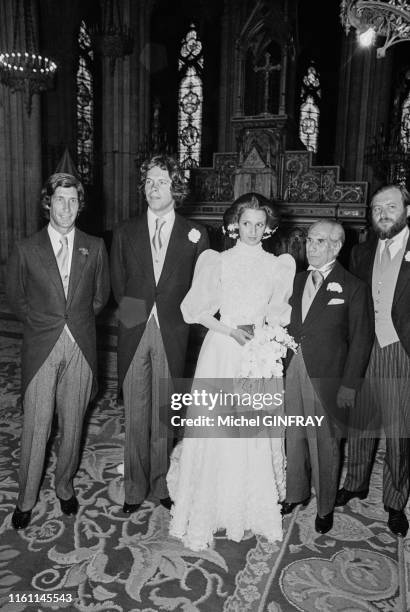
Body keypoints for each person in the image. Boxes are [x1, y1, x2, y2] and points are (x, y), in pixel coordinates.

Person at [166, 192, 295, 551]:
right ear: (234, 224)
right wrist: (229, 331)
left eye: (259, 223)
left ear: (268, 227)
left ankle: (248, 506)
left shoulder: (278, 265)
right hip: (223, 350)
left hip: (258, 353)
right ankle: (211, 502)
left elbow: (277, 313)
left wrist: (267, 339)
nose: (252, 230)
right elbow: (195, 310)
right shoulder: (216, 260)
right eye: (246, 223)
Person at [7, 172, 110, 530]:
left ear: (80, 205)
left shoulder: (94, 246)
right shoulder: (25, 248)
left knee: (72, 422)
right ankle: (26, 499)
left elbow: (101, 297)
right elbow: (16, 298)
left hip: (81, 342)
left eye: (73, 200)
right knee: (37, 424)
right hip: (41, 344)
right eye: (60, 200)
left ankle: (64, 485)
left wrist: (75, 320)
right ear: (47, 203)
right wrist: (44, 322)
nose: (66, 208)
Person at [110, 154, 209, 515]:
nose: (154, 187)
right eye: (149, 181)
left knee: (165, 413)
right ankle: (134, 491)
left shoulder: (196, 234)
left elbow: (201, 287)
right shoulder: (124, 231)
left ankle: (159, 485)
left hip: (173, 329)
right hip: (134, 327)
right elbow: (119, 283)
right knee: (136, 413)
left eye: (162, 181)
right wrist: (134, 318)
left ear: (176, 187)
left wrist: (179, 318)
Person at [282, 221, 374, 534]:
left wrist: (349, 386)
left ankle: (324, 506)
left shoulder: (353, 287)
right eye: (309, 240)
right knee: (293, 437)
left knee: (325, 444)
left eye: (320, 241)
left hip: (328, 376)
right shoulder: (295, 280)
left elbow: (361, 340)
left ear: (336, 246)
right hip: (293, 369)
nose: (311, 246)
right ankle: (295, 493)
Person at [336, 184, 410, 537]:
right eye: (377, 207)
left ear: (407, 210)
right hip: (366, 348)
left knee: (399, 432)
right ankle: (355, 483)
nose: (383, 213)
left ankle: (395, 502)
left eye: (391, 206)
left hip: (401, 351)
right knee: (361, 424)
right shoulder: (362, 252)